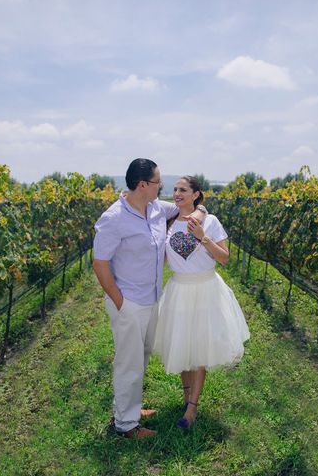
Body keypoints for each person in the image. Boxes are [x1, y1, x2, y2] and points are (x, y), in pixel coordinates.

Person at [92, 159, 207, 439]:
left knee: (140, 359)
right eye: (159, 183)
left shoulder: (157, 208)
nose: (163, 188)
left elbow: (190, 207)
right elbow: (100, 264)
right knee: (127, 363)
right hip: (129, 303)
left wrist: (201, 211)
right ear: (143, 185)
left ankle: (130, 408)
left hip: (151, 299)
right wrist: (121, 303)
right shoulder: (114, 218)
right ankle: (125, 427)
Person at [153, 175, 250, 429]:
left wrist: (202, 236)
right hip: (179, 289)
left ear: (196, 194)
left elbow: (225, 258)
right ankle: (186, 398)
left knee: (199, 348)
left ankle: (192, 410)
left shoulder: (210, 221)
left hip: (205, 289)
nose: (177, 193)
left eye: (183, 189)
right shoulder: (170, 221)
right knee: (181, 345)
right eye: (174, 189)